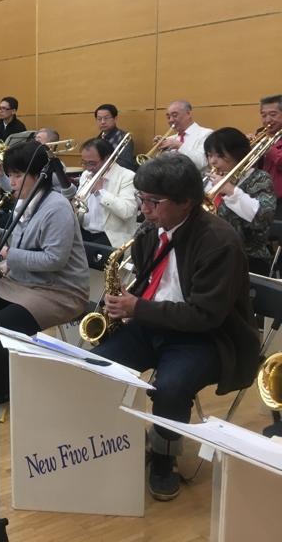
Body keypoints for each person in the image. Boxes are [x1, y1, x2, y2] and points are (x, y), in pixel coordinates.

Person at [91, 153, 259, 502]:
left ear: (185, 201)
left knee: (170, 388)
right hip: (152, 323)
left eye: (153, 201)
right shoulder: (152, 230)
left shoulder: (220, 242)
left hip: (206, 338)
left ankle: (164, 456)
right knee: (96, 367)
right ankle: (113, 440)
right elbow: (151, 281)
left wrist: (138, 307)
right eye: (141, 198)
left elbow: (205, 316)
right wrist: (128, 303)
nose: (144, 209)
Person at [0, 140, 89, 403]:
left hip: (60, 291)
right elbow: (25, 247)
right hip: (23, 282)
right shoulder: (24, 201)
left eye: (17, 175)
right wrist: (6, 263)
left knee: (3, 326)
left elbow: (54, 260)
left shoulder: (57, 207)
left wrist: (7, 254)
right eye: (9, 175)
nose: (11, 182)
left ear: (39, 175)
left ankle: (2, 391)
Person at [203, 127, 276, 275]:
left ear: (237, 154)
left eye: (219, 155)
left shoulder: (260, 179)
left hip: (247, 255)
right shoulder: (208, 178)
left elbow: (262, 220)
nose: (212, 161)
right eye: (210, 155)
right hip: (209, 250)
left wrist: (231, 191)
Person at [77, 138, 139, 247]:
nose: (88, 168)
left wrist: (100, 192)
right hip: (84, 233)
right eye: (84, 163)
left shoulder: (127, 177)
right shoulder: (85, 174)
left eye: (92, 163)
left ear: (108, 158)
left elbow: (127, 212)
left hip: (111, 237)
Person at [0, 128, 77, 200]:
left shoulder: (59, 167)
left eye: (38, 139)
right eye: (35, 138)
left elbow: (30, 186)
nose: (33, 142)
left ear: (50, 147)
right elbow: (15, 189)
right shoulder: (30, 164)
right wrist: (1, 175)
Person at [152, 100, 212, 172]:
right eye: (168, 117)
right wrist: (160, 151)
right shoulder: (170, 139)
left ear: (188, 114)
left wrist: (180, 146)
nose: (171, 120)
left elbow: (201, 163)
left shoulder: (206, 134)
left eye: (175, 115)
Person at [256, 94, 282, 219]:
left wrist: (269, 150)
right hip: (261, 196)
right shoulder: (261, 134)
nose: (267, 120)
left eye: (273, 114)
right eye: (264, 115)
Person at [94, 103, 136, 171]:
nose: (102, 122)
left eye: (106, 118)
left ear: (115, 119)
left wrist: (102, 163)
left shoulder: (124, 138)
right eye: (99, 119)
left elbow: (126, 163)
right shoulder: (97, 140)